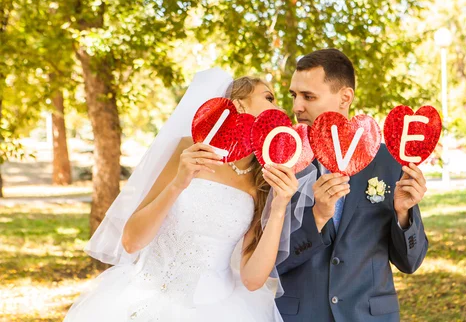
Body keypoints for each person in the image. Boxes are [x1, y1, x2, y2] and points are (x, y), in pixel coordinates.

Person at [64, 70, 304, 322]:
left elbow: (253, 280)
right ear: (238, 103)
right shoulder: (187, 150)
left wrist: (279, 206)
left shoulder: (263, 179)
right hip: (144, 299)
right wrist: (178, 183)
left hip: (220, 310)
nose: (279, 108)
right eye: (269, 97)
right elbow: (131, 242)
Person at [276, 49, 429, 321]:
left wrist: (404, 215)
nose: (297, 107)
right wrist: (317, 218)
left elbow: (410, 262)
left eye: (308, 96)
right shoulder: (282, 161)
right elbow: (271, 262)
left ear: (345, 97)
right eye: (294, 95)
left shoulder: (388, 160)